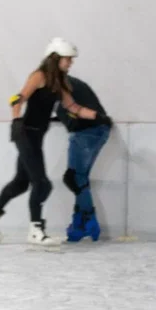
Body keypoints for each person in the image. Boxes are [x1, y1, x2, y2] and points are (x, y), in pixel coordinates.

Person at [0, 38, 111, 246]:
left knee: (21, 182)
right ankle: (36, 231)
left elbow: (73, 107)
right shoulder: (39, 76)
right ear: (55, 58)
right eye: (67, 59)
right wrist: (16, 119)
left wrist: (97, 116)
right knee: (42, 184)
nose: (70, 63)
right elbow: (18, 98)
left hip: (37, 135)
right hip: (25, 133)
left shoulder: (60, 82)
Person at [54, 75, 112, 241]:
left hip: (87, 131)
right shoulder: (70, 83)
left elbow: (75, 108)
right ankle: (79, 223)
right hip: (96, 130)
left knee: (73, 177)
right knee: (79, 179)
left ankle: (88, 221)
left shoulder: (61, 83)